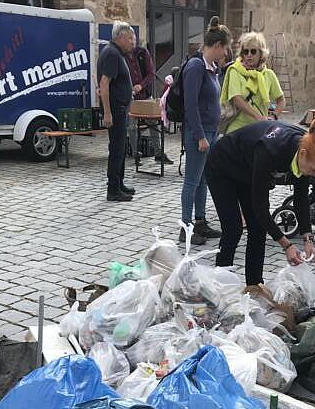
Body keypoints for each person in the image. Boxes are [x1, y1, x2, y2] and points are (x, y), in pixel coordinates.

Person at [205, 117, 315, 295]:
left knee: (258, 229)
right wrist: (286, 245)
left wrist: (308, 238)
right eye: (314, 170)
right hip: (222, 166)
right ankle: (220, 286)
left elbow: (301, 199)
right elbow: (260, 207)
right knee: (233, 229)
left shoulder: (307, 150)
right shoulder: (271, 151)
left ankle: (255, 287)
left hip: (246, 170)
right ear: (303, 153)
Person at [179, 16, 232, 246]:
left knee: (203, 180)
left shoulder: (211, 68)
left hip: (211, 131)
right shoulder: (195, 67)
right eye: (226, 48)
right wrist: (200, 135)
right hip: (197, 133)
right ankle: (186, 227)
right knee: (192, 181)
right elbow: (190, 105)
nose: (227, 53)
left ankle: (200, 221)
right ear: (218, 45)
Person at [97, 22, 136, 203]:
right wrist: (108, 113)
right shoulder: (112, 54)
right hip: (116, 110)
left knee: (120, 148)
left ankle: (119, 183)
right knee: (116, 149)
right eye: (129, 37)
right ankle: (113, 189)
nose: (132, 41)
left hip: (120, 109)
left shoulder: (114, 53)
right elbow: (104, 84)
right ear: (119, 37)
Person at [219, 31, 285, 135]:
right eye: (246, 52)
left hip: (260, 130)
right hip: (237, 129)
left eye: (253, 51)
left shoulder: (268, 74)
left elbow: (281, 100)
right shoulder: (235, 71)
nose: (249, 55)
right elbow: (237, 99)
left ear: (261, 54)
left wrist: (274, 116)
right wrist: (258, 117)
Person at [125, 37, 172, 165]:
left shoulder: (143, 53)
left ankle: (158, 153)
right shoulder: (121, 56)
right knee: (132, 126)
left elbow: (151, 73)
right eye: (130, 40)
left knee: (154, 123)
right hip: (130, 97)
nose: (132, 43)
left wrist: (141, 85)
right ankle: (135, 154)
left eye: (133, 40)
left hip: (145, 94)